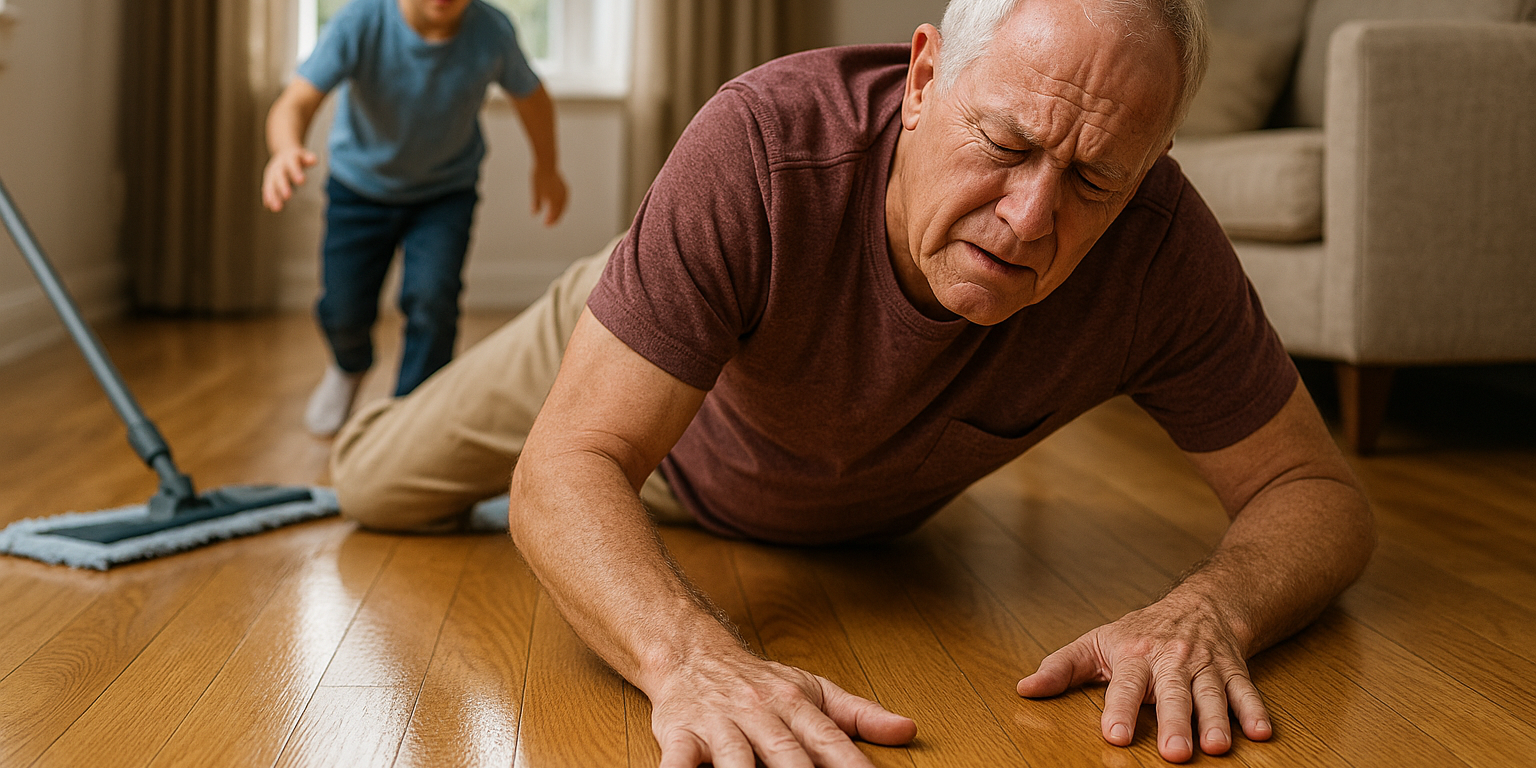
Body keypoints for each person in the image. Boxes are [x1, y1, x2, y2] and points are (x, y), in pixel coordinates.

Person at [329, 0, 1376, 765]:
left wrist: (1212, 611)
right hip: (645, 367)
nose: (1029, 218)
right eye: (1006, 143)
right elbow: (566, 468)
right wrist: (689, 656)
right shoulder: (763, 144)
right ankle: (639, 300)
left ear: (1149, 166)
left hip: (817, 491)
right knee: (376, 488)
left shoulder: (1160, 250)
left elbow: (1316, 494)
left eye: (1096, 179)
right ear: (924, 80)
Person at [261, 0, 568, 436]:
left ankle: (412, 415)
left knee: (433, 300)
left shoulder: (490, 31)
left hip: (444, 195)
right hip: (359, 191)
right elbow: (296, 102)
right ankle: (349, 365)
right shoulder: (360, 23)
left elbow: (532, 98)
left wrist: (548, 167)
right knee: (343, 308)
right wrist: (285, 149)